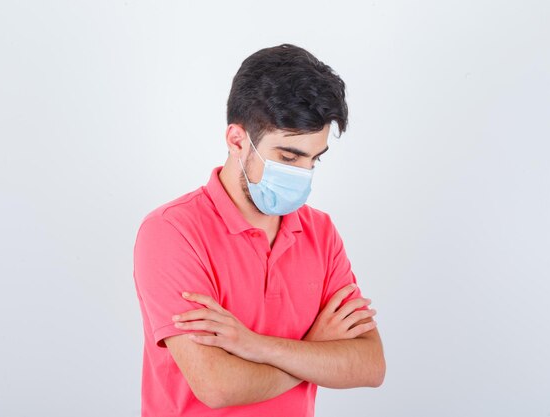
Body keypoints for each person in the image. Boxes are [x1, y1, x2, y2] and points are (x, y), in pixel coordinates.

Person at [132, 43, 386, 417]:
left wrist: (256, 346)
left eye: (314, 159)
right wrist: (314, 349)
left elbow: (369, 365)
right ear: (237, 140)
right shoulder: (171, 232)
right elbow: (217, 386)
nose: (302, 174)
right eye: (288, 157)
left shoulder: (321, 232)